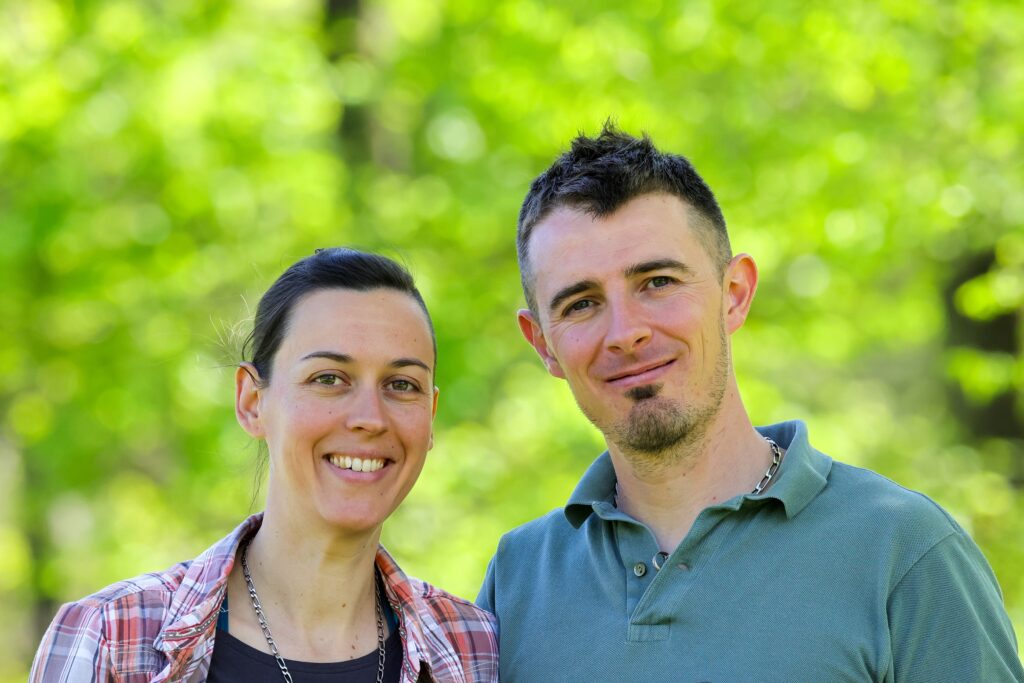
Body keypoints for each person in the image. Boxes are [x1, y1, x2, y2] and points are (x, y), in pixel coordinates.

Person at [477, 124, 1024, 681]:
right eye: (580, 304)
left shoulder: (902, 550)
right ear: (542, 344)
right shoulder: (516, 581)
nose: (625, 332)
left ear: (734, 294)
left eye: (658, 282)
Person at [32, 248, 498, 682]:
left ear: (430, 415)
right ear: (252, 402)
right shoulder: (112, 637)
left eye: (402, 384)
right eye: (329, 378)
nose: (370, 418)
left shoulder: (473, 647)